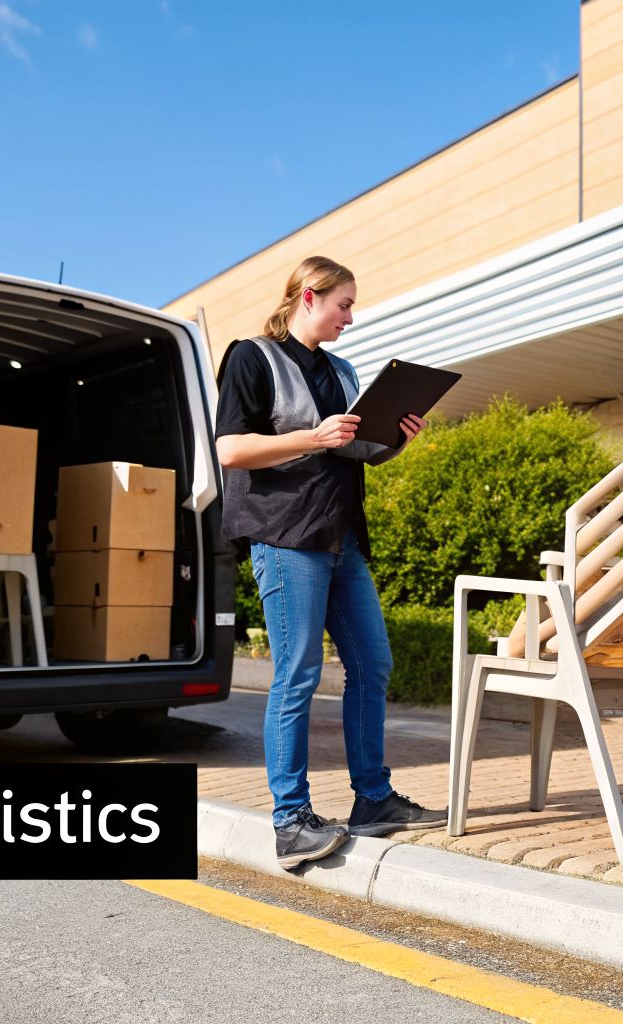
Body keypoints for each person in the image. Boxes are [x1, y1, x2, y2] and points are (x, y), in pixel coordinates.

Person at [214, 255, 447, 870]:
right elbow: (232, 449)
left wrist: (397, 438)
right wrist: (312, 436)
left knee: (372, 662)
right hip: (286, 536)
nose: (351, 315)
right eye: (344, 303)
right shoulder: (251, 356)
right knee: (297, 674)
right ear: (309, 297)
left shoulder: (343, 370)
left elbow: (359, 451)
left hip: (341, 538)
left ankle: (372, 800)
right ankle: (290, 822)